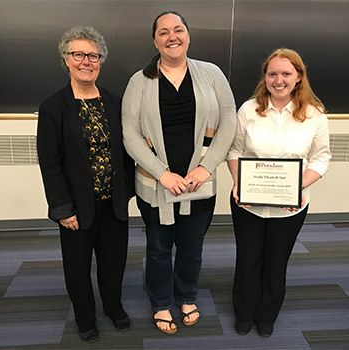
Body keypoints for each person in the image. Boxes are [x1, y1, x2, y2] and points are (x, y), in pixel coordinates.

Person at [122, 11, 236, 334]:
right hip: (155, 185)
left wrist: (206, 167)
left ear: (188, 35)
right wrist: (163, 174)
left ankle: (186, 296)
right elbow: (129, 134)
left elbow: (229, 122)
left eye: (178, 30)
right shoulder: (139, 81)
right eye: (163, 32)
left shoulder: (211, 73)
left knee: (191, 247)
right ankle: (160, 302)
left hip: (200, 185)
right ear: (155, 40)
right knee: (158, 248)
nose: (172, 36)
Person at [37, 26, 135, 343]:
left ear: (101, 61)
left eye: (92, 55)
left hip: (114, 203)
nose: (86, 61)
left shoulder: (114, 102)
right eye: (78, 54)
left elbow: (127, 152)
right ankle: (85, 317)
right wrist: (62, 208)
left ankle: (113, 308)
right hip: (77, 207)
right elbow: (50, 164)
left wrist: (130, 191)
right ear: (66, 59)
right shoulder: (53, 107)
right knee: (78, 268)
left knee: (113, 262)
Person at [227, 48, 331, 337]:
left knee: (276, 262)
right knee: (248, 260)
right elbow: (234, 150)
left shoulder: (315, 115)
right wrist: (239, 182)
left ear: (299, 77)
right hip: (247, 202)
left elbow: (321, 158)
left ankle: (267, 314)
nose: (279, 79)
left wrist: (299, 186)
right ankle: (244, 312)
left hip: (291, 205)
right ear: (265, 77)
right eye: (272, 73)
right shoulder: (248, 110)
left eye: (286, 73)